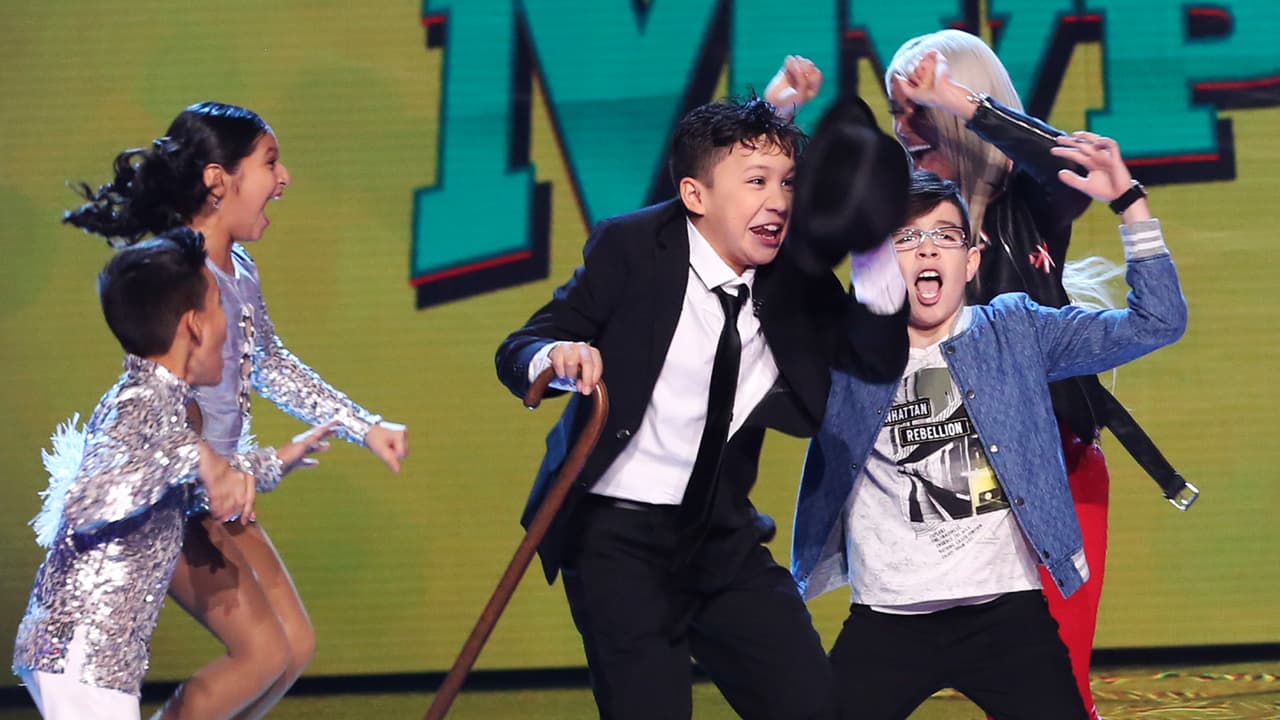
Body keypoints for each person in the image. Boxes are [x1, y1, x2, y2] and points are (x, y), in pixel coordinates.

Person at [767, 34, 1191, 717]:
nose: (905, 128)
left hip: (1045, 469)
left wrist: (958, 101)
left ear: (973, 254)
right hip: (897, 594)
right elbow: (798, 222)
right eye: (896, 112)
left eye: (919, 111)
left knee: (1062, 678)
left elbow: (1074, 175)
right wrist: (774, 119)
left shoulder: (1022, 242)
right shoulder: (866, 292)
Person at [494, 95, 910, 720]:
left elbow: (874, 358)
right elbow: (521, 346)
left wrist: (872, 245)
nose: (779, 200)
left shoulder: (793, 276)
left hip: (721, 536)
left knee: (812, 705)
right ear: (695, 194)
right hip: (616, 538)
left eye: (788, 182)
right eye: (757, 182)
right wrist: (555, 356)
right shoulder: (632, 247)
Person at [62, 102, 409, 720]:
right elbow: (152, 397)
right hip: (176, 499)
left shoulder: (239, 270)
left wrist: (365, 425)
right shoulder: (178, 275)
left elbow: (270, 361)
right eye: (270, 163)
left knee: (293, 648)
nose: (284, 178)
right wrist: (202, 467)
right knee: (261, 653)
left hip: (222, 493)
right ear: (218, 180)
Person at [12, 228, 332, 720]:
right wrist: (192, 457)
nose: (231, 329)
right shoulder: (139, 403)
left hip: (96, 660)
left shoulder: (163, 403)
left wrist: (272, 462)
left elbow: (177, 477)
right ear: (194, 327)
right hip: (79, 654)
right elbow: (85, 500)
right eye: (220, 309)